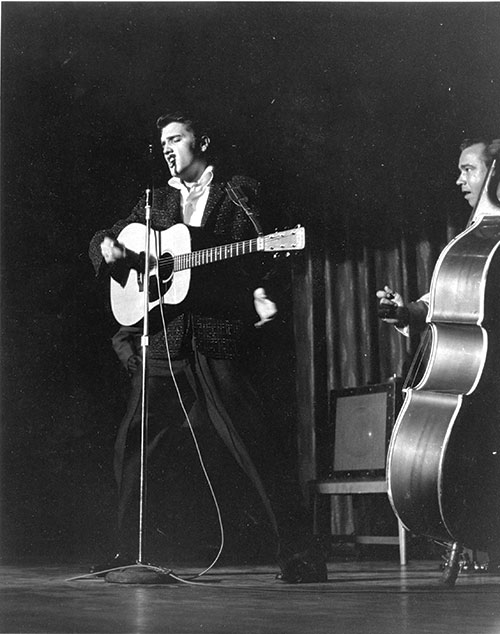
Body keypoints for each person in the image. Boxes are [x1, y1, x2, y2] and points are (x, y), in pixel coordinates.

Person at [88, 111, 327, 583]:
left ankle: (301, 553)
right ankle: (124, 552)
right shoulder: (154, 201)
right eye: (162, 143)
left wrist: (261, 292)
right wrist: (110, 250)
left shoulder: (238, 191)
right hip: (165, 336)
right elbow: (106, 238)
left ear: (204, 141)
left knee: (252, 442)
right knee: (133, 444)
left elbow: (261, 253)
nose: (167, 149)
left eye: (176, 139)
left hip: (216, 334)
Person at [376, 137, 500, 571]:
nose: (459, 179)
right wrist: (406, 311)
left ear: (495, 171)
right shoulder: (476, 237)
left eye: (469, 169)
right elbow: (446, 300)